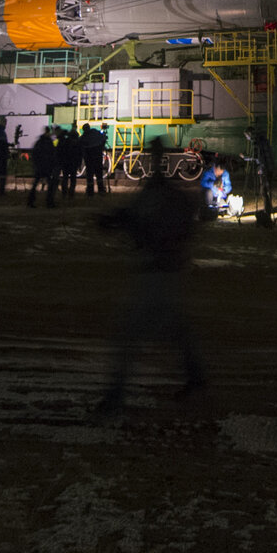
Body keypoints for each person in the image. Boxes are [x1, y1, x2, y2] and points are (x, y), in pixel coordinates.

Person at [95, 137, 206, 415]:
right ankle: (196, 378)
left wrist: (115, 222)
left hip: (155, 273)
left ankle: (115, 396)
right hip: (166, 271)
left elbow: (138, 221)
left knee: (130, 334)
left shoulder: (157, 195)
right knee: (176, 330)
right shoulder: (170, 195)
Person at [245, 127, 276, 225]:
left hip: (265, 169)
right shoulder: (264, 140)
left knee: (264, 191)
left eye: (246, 136)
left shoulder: (257, 143)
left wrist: (245, 158)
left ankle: (267, 213)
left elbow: (257, 157)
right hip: (269, 168)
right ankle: (268, 212)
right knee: (267, 191)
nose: (247, 138)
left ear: (250, 134)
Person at [27, 127, 59, 208]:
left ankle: (30, 201)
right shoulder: (49, 142)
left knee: (35, 184)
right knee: (50, 184)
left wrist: (35, 164)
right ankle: (49, 202)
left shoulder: (39, 142)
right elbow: (52, 154)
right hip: (46, 166)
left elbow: (35, 154)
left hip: (40, 166)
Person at [80, 124, 109, 196]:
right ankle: (101, 190)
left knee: (90, 176)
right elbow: (104, 138)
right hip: (97, 158)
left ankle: (90, 191)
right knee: (99, 175)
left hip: (89, 159)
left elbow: (80, 146)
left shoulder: (83, 138)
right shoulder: (95, 133)